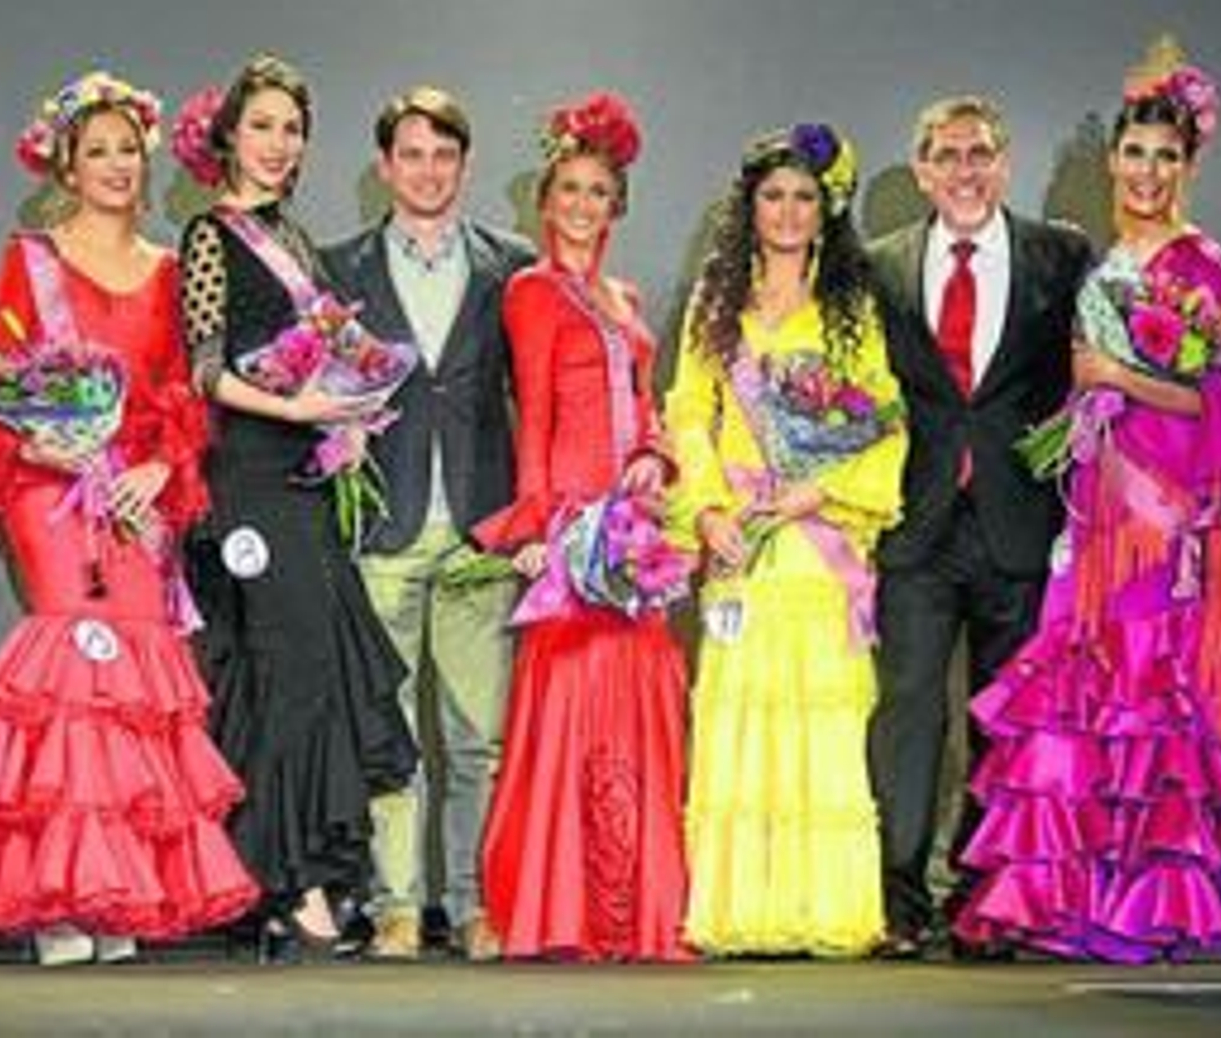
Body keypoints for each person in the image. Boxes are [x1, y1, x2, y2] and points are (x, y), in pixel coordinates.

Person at [0, 71, 259, 965]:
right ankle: (57, 898)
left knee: (133, 674)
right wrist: (42, 444)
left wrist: (162, 465)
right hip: (49, 486)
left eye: (128, 150)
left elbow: (183, 391)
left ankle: (113, 889)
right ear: (66, 166)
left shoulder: (169, 269)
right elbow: (2, 371)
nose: (117, 165)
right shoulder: (35, 259)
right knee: (72, 661)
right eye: (98, 151)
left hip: (136, 491)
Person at [952, 43, 1221, 962]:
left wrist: (1119, 376)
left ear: (1188, 166)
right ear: (1113, 160)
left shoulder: (1200, 264)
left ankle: (1157, 898)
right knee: (1084, 684)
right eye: (1135, 153)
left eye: (1166, 157)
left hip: (1159, 514)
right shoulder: (1110, 259)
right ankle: (1077, 898)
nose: (1147, 171)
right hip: (1096, 506)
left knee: (1150, 691)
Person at [173, 54, 418, 960]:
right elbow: (204, 369)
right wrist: (298, 408)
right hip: (248, 474)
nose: (279, 144)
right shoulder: (210, 235)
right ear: (228, 136)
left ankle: (288, 876)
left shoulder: (298, 239)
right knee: (284, 667)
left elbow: (318, 351)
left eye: (292, 129)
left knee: (310, 668)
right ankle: (289, 882)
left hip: (305, 473)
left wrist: (352, 395)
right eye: (263, 126)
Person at [664, 123, 907, 956]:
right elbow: (688, 413)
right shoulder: (716, 300)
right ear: (751, 205)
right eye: (774, 196)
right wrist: (706, 511)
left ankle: (823, 906)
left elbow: (883, 417)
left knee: (820, 720)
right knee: (742, 713)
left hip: (817, 540)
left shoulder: (851, 307)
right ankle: (741, 908)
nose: (789, 211)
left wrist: (822, 489)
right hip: (741, 539)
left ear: (825, 207)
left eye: (805, 196)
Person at [865, 94, 1094, 957]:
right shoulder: (881, 265)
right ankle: (898, 899)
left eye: (980, 154)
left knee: (1002, 721)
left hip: (1019, 525)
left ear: (1004, 164)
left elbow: (1088, 382)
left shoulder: (1060, 257)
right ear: (921, 171)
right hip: (916, 527)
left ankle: (979, 899)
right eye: (948, 155)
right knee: (909, 713)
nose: (965, 171)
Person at [470, 91, 689, 962]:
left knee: (639, 708)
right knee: (570, 713)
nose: (583, 205)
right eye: (570, 189)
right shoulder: (531, 291)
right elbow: (531, 413)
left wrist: (656, 459)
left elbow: (646, 406)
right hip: (571, 532)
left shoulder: (624, 295)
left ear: (616, 203)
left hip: (631, 534)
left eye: (599, 191)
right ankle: (563, 906)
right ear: (545, 199)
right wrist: (537, 528)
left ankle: (635, 907)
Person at [320, 86, 534, 962]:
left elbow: (537, 399)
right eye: (411, 154)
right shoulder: (339, 268)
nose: (428, 170)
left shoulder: (511, 264)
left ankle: (474, 903)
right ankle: (397, 906)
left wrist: (532, 519)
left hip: (483, 528)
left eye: (444, 154)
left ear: (465, 165)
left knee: (480, 736)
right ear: (385, 166)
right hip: (386, 528)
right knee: (390, 736)